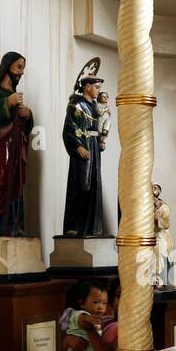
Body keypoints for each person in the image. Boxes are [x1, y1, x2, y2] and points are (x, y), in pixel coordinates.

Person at [0, 51, 33, 237]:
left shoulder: (14, 95)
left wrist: (28, 115)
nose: (21, 72)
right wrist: (7, 103)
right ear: (7, 66)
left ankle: (12, 225)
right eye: (19, 67)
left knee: (16, 183)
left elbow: (23, 126)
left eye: (23, 68)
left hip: (16, 145)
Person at [62, 75, 107, 237]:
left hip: (94, 146)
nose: (98, 91)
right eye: (96, 87)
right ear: (87, 86)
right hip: (83, 147)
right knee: (81, 185)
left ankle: (91, 227)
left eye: (99, 88)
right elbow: (69, 127)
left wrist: (102, 138)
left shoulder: (95, 106)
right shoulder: (77, 105)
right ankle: (74, 226)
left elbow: (101, 124)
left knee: (94, 185)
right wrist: (77, 145)